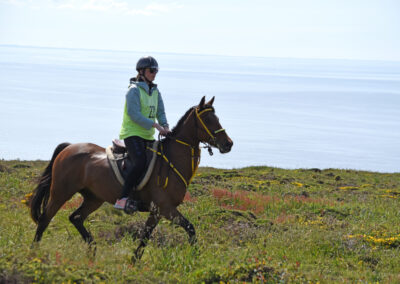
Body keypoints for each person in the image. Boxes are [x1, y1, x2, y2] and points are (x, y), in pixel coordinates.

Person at [114, 56, 170, 212]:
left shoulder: (155, 91)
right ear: (142, 72)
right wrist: (156, 125)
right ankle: (123, 199)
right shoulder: (133, 91)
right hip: (132, 134)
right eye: (152, 71)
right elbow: (134, 114)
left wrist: (165, 125)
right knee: (139, 162)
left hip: (147, 135)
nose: (154, 73)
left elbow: (161, 111)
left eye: (156, 71)